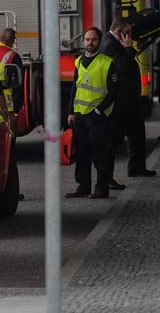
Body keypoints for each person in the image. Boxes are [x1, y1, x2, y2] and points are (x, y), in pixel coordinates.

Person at [65, 28, 120, 200]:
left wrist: (99, 110)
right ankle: (83, 186)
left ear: (99, 41)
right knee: (82, 152)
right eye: (87, 39)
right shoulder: (79, 61)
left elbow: (113, 91)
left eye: (94, 39)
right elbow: (75, 88)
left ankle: (102, 188)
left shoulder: (108, 62)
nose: (90, 43)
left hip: (97, 115)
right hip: (80, 114)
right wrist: (71, 112)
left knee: (99, 153)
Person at [101, 16, 155, 181]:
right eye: (128, 32)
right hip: (120, 102)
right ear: (119, 31)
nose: (131, 36)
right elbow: (119, 68)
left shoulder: (116, 41)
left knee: (137, 135)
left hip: (130, 100)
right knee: (113, 142)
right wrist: (129, 49)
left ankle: (137, 167)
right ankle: (107, 178)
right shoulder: (110, 44)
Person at [0, 27, 24, 112]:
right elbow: (17, 85)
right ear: (12, 40)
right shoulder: (13, 56)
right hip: (7, 105)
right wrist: (16, 107)